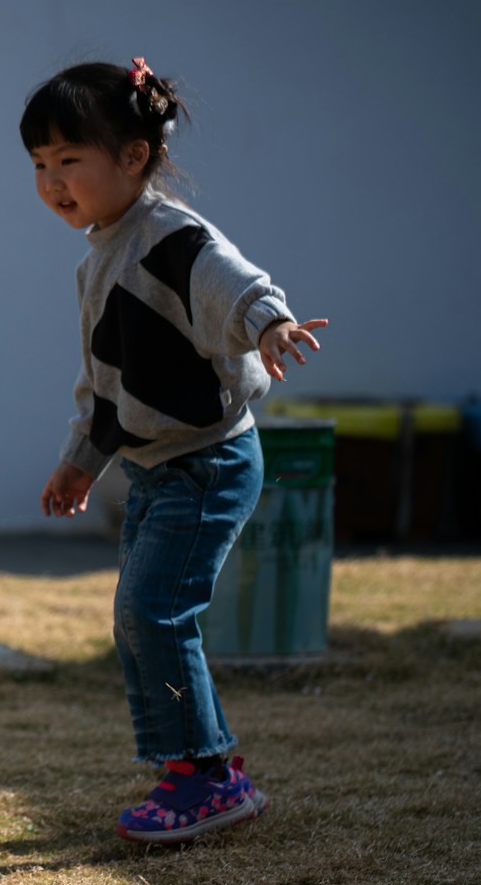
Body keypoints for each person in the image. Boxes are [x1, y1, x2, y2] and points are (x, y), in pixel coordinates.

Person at [24, 58, 327, 844]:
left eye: (69, 161)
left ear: (134, 156)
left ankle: (205, 776)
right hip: (158, 470)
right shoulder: (101, 257)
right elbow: (103, 382)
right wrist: (80, 460)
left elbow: (235, 281)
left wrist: (271, 325)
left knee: (153, 611)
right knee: (139, 617)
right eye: (39, 166)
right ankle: (195, 770)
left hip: (208, 463)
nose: (53, 182)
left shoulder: (169, 238)